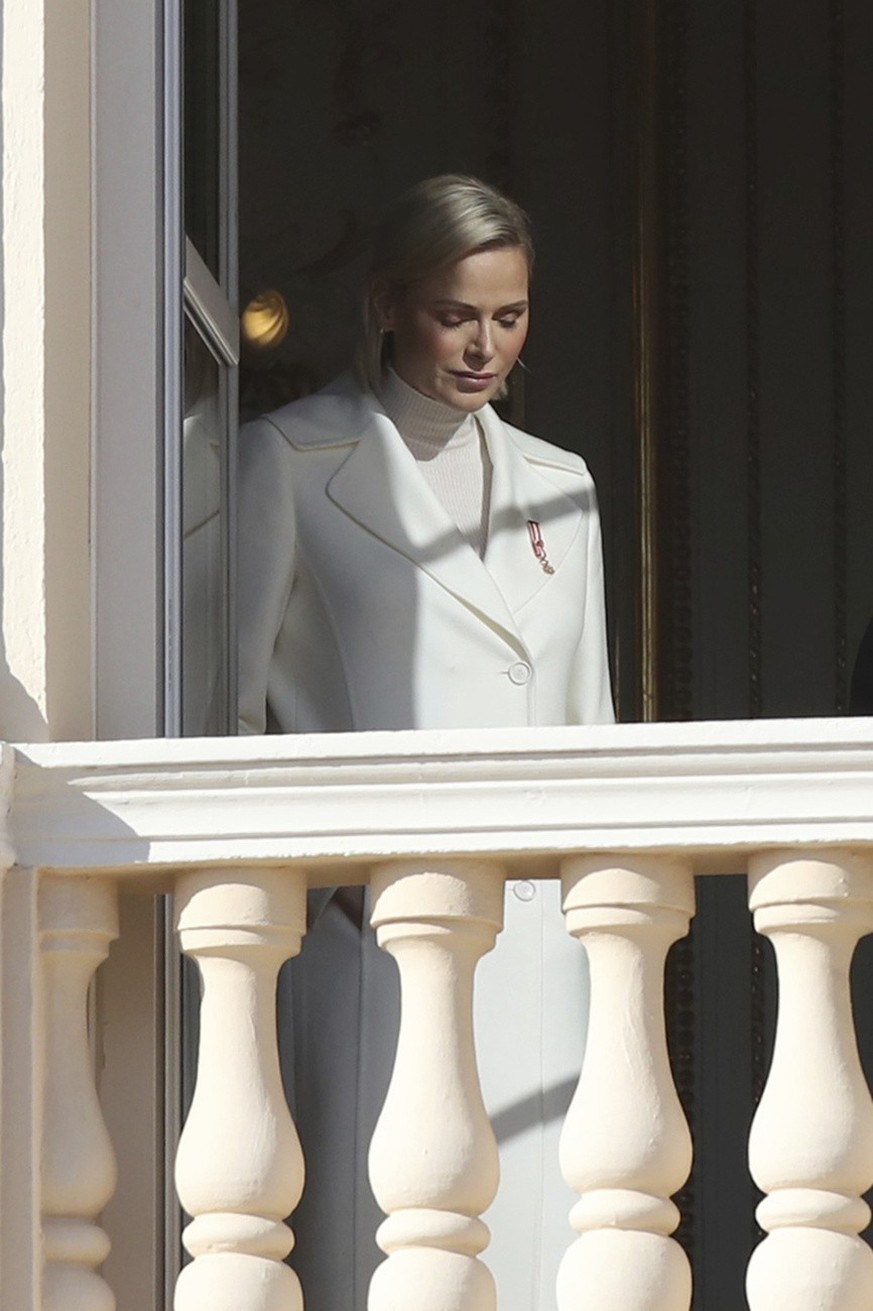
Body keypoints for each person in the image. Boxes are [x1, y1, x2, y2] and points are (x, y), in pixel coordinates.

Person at [237, 174, 615, 1310]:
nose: (484, 346)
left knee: (544, 1252)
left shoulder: (564, 486)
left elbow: (589, 730)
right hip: (370, 934)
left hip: (539, 940)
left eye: (510, 316)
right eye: (458, 314)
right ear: (391, 303)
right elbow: (229, 714)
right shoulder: (290, 463)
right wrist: (323, 891)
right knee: (375, 1259)